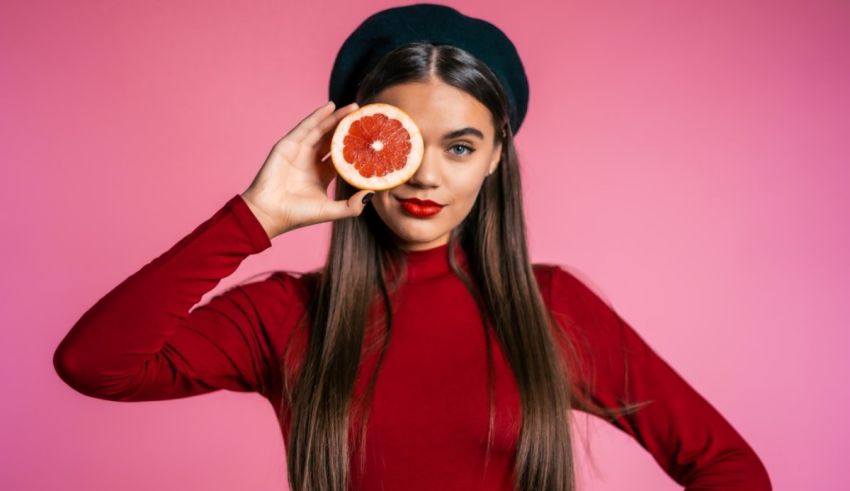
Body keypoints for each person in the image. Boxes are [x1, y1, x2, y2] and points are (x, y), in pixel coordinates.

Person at [52, 3, 771, 491]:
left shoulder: (553, 307)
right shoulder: (286, 314)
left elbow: (729, 464)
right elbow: (95, 364)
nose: (427, 172)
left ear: (495, 158)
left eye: (460, 146)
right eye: (401, 141)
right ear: (354, 145)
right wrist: (254, 215)